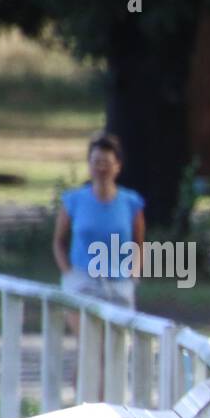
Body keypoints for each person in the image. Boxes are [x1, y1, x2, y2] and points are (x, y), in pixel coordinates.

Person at [52, 132, 145, 311]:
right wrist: (68, 273)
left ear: (117, 166)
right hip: (82, 280)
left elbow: (138, 243)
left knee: (119, 338)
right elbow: (59, 240)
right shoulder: (73, 200)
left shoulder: (131, 202)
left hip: (119, 282)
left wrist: (134, 274)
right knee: (89, 337)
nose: (101, 168)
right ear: (89, 165)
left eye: (107, 163)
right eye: (96, 162)